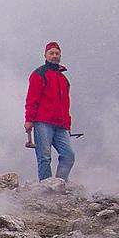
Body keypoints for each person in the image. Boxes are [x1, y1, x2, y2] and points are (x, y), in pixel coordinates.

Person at [24, 41, 75, 181]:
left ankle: (59, 184)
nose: (54, 56)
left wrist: (68, 125)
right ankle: (46, 189)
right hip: (43, 122)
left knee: (68, 155)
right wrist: (29, 119)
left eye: (57, 53)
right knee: (44, 157)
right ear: (45, 55)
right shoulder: (39, 74)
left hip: (61, 125)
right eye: (51, 53)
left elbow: (66, 104)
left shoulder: (64, 80)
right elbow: (32, 99)